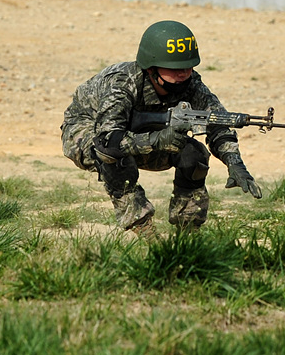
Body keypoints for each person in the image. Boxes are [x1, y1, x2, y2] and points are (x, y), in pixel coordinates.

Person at [61, 20, 263, 233]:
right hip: (88, 134)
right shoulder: (123, 83)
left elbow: (217, 121)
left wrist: (235, 164)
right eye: (174, 68)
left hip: (146, 135)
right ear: (151, 67)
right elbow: (108, 140)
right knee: (114, 159)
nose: (183, 73)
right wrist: (157, 140)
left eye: (188, 66)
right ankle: (145, 231)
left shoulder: (191, 83)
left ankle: (188, 231)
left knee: (193, 155)